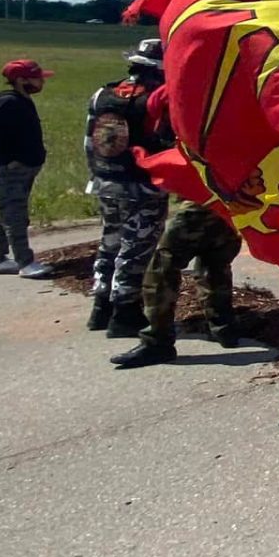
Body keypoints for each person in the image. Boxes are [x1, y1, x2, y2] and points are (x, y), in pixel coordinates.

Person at [84, 39, 175, 338]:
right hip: (143, 185)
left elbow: (90, 140)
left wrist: (97, 175)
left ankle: (100, 306)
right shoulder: (159, 98)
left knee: (109, 242)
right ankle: (124, 313)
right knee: (136, 248)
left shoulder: (103, 93)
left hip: (105, 180)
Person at [109, 198, 244, 368]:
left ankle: (157, 341)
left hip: (203, 198)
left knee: (162, 265)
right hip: (235, 201)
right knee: (215, 259)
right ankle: (224, 329)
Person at [0, 57, 54, 278]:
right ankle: (26, 262)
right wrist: (5, 162)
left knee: (9, 214)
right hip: (11, 171)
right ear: (20, 80)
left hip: (24, 169)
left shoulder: (22, 100)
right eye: (37, 78)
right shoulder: (8, 102)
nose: (41, 82)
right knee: (15, 217)